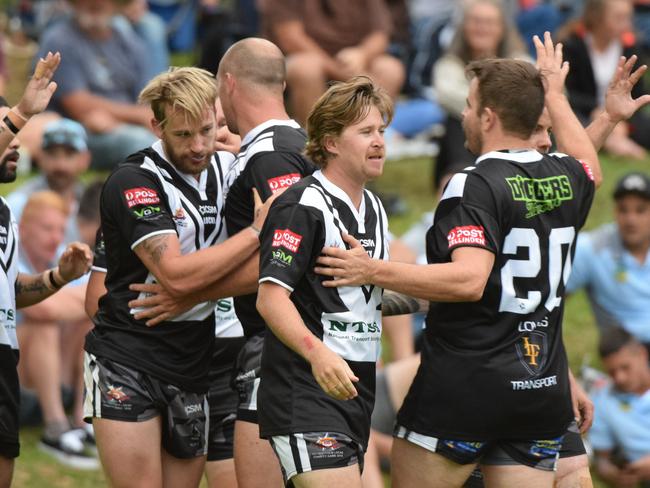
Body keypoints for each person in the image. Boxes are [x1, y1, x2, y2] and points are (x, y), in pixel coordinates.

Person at [314, 33, 601, 487]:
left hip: (466, 389)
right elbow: (591, 164)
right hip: (538, 391)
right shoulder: (569, 176)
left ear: (488, 117)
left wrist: (371, 269)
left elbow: (469, 280)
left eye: (469, 105)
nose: (464, 114)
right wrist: (557, 94)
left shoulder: (475, 182)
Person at [82, 66, 276, 487]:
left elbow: (277, 263)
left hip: (193, 364)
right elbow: (176, 275)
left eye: (207, 130)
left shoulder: (232, 167)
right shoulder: (135, 180)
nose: (199, 146)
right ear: (157, 125)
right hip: (128, 359)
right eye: (184, 135)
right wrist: (256, 232)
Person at [255, 75, 392, 488]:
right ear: (330, 142)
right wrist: (317, 355)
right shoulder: (301, 205)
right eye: (365, 131)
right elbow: (270, 297)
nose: (379, 142)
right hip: (307, 388)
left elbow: (364, 296)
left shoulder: (374, 206)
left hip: (355, 388)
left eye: (381, 131)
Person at [217, 37, 315, 488]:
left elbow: (290, 259)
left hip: (275, 348)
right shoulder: (293, 141)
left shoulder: (269, 155)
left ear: (229, 83)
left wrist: (184, 290)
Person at [0, 51, 94, 488]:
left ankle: (79, 422)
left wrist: (59, 278)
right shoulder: (22, 206)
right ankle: (59, 427)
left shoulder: (4, 212)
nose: (18, 144)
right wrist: (20, 113)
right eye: (7, 134)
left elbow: (11, 290)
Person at [16, 191, 97, 468]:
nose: (55, 237)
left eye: (60, 229)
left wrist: (77, 302)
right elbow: (42, 310)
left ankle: (82, 420)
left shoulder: (60, 261)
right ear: (24, 228)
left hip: (50, 375)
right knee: (44, 325)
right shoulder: (12, 261)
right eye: (47, 228)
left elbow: (95, 303)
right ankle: (54, 429)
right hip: (13, 383)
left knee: (86, 323)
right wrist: (76, 301)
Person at [36, 0, 156, 170]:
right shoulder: (59, 39)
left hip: (121, 124)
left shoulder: (128, 40)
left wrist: (128, 118)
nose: (95, 2)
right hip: (79, 130)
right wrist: (138, 116)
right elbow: (78, 105)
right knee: (142, 143)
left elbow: (148, 96)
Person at [432, 0, 529, 193]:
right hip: (464, 142)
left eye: (489, 22)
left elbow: (538, 95)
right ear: (464, 27)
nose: (482, 28)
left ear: (502, 29)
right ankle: (455, 184)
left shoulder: (522, 62)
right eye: (476, 21)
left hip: (511, 139)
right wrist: (503, 103)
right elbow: (447, 96)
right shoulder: (450, 64)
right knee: (458, 116)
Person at [258, 0, 405, 126]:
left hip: (352, 60)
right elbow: (290, 39)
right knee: (305, 68)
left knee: (390, 69)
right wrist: (341, 71)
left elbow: (380, 34)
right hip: (305, 61)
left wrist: (362, 54)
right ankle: (314, 142)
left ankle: (367, 134)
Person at [567, 171, 650, 348]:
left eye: (640, 210)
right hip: (627, 351)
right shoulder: (592, 248)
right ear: (614, 211)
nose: (631, 219)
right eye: (623, 209)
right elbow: (550, 299)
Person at [562, 0, 650, 159]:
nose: (626, 24)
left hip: (621, 113)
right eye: (619, 18)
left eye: (628, 18)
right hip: (586, 112)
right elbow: (567, 93)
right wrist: (599, 110)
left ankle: (614, 139)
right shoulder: (572, 45)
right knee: (572, 124)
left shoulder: (631, 48)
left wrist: (620, 117)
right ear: (597, 17)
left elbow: (638, 93)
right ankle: (615, 142)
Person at [7, 117, 90, 243]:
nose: (60, 164)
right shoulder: (20, 204)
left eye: (69, 154)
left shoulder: (93, 203)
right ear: (40, 157)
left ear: (85, 159)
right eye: (52, 154)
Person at [590, 327, 650, 487]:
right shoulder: (601, 400)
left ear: (642, 354)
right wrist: (614, 476)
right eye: (611, 372)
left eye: (625, 367)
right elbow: (601, 459)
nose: (619, 378)